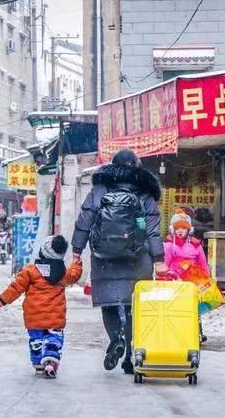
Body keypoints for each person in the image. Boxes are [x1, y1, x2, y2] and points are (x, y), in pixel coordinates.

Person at [71, 149, 168, 375]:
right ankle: (129, 357)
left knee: (110, 304)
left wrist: (76, 251)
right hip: (137, 257)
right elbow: (151, 230)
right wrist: (159, 260)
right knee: (134, 307)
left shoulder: (99, 189)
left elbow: (84, 221)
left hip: (104, 257)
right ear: (136, 166)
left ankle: (116, 338)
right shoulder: (145, 192)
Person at [0, 235, 82, 378]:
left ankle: (38, 365)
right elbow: (75, 274)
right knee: (54, 339)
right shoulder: (62, 273)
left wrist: (3, 300)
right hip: (55, 318)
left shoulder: (30, 271)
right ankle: (50, 360)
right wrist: (77, 263)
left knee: (36, 341)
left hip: (34, 318)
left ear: (42, 252)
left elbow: (16, 287)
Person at [161, 209, 209, 342]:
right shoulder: (169, 246)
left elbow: (203, 264)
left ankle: (197, 333)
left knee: (193, 309)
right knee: (175, 308)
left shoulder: (195, 245)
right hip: (174, 283)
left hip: (192, 283)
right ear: (173, 229)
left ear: (189, 229)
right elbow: (165, 265)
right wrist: (167, 276)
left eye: (184, 228)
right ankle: (174, 330)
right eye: (177, 228)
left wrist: (206, 280)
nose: (180, 231)